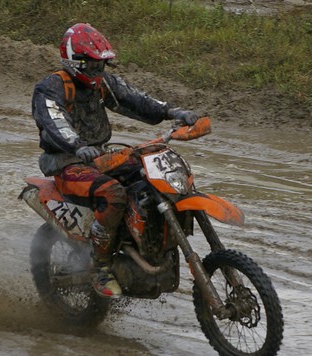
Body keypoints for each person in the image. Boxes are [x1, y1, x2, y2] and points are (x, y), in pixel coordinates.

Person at [31, 23, 199, 299]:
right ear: (75, 61)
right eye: (93, 64)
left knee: (152, 172)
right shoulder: (51, 88)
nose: (98, 70)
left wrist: (172, 111)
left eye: (101, 64)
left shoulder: (102, 83)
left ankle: (143, 243)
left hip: (100, 156)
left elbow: (135, 99)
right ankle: (100, 265)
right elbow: (54, 121)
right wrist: (78, 146)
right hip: (67, 163)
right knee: (113, 193)